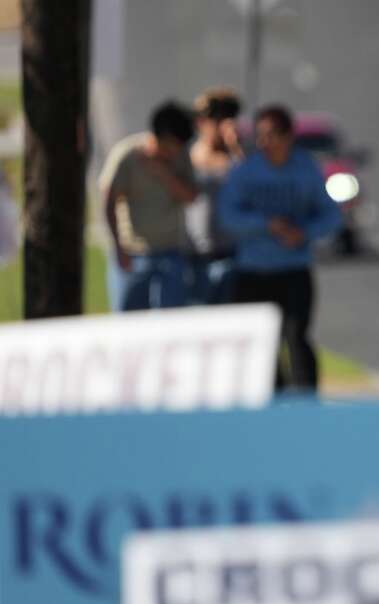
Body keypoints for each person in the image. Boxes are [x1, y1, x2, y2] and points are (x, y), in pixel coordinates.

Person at [218, 104, 341, 391]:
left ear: (288, 136)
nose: (264, 142)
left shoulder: (306, 169)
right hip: (253, 272)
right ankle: (272, 399)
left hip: (294, 270)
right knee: (262, 343)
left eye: (272, 135)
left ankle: (306, 403)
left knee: (296, 336)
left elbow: (331, 215)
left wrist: (304, 232)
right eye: (260, 135)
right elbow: (228, 217)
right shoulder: (245, 172)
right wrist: (267, 224)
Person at [99, 101, 198, 310]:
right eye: (173, 145)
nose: (176, 151)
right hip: (133, 254)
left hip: (170, 252)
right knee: (128, 322)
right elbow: (109, 203)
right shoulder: (126, 155)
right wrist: (118, 247)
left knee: (171, 323)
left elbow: (190, 196)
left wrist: (163, 173)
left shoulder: (181, 157)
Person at [187, 87, 243, 304]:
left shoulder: (237, 159)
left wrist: (235, 147)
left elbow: (249, 185)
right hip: (195, 256)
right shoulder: (189, 156)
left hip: (231, 252)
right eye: (214, 119)